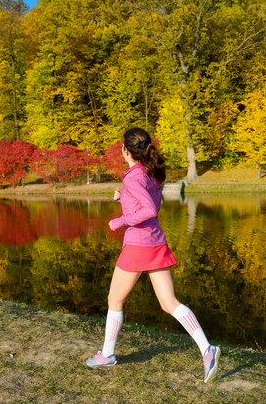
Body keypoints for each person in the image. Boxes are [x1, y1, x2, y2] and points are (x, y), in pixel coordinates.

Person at [86, 127, 221, 383]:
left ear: (125, 150)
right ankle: (207, 350)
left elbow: (148, 210)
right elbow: (152, 202)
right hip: (156, 242)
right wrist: (123, 198)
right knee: (169, 303)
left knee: (114, 300)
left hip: (138, 246)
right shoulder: (150, 174)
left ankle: (107, 354)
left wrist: (121, 220)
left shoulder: (132, 177)